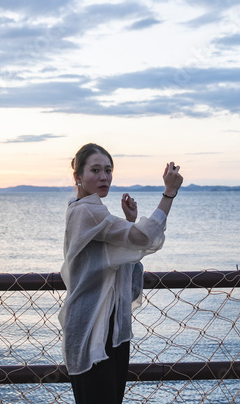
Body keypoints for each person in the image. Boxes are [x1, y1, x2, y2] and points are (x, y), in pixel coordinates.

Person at [59, 143, 184, 404]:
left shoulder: (87, 209)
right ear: (77, 176)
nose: (104, 177)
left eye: (108, 170)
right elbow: (144, 237)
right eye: (95, 170)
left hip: (108, 325)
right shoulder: (87, 211)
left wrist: (128, 222)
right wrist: (169, 193)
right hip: (92, 328)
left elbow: (121, 256)